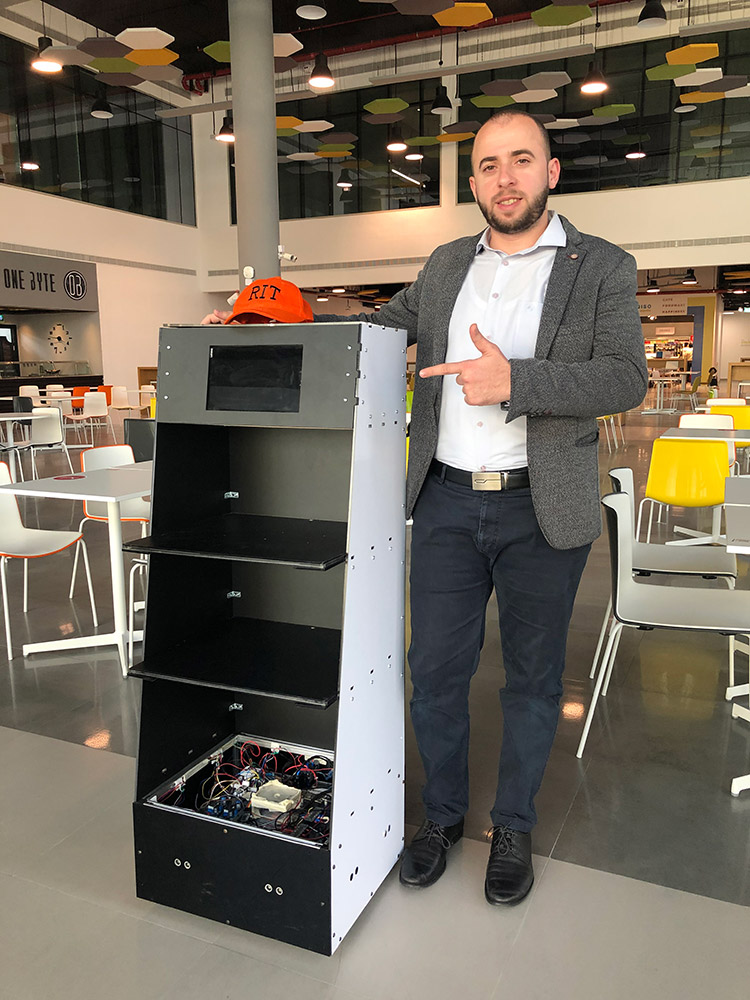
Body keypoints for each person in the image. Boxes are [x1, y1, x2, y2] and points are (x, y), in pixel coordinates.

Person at [203, 109, 648, 906]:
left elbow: (624, 379)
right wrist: (255, 331)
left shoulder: (603, 267)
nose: (503, 177)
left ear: (551, 172)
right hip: (444, 502)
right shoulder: (446, 264)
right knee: (434, 674)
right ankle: (440, 819)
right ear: (473, 180)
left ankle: (511, 824)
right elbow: (374, 331)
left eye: (520, 161)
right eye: (487, 165)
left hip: (542, 509)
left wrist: (518, 380)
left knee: (533, 680)